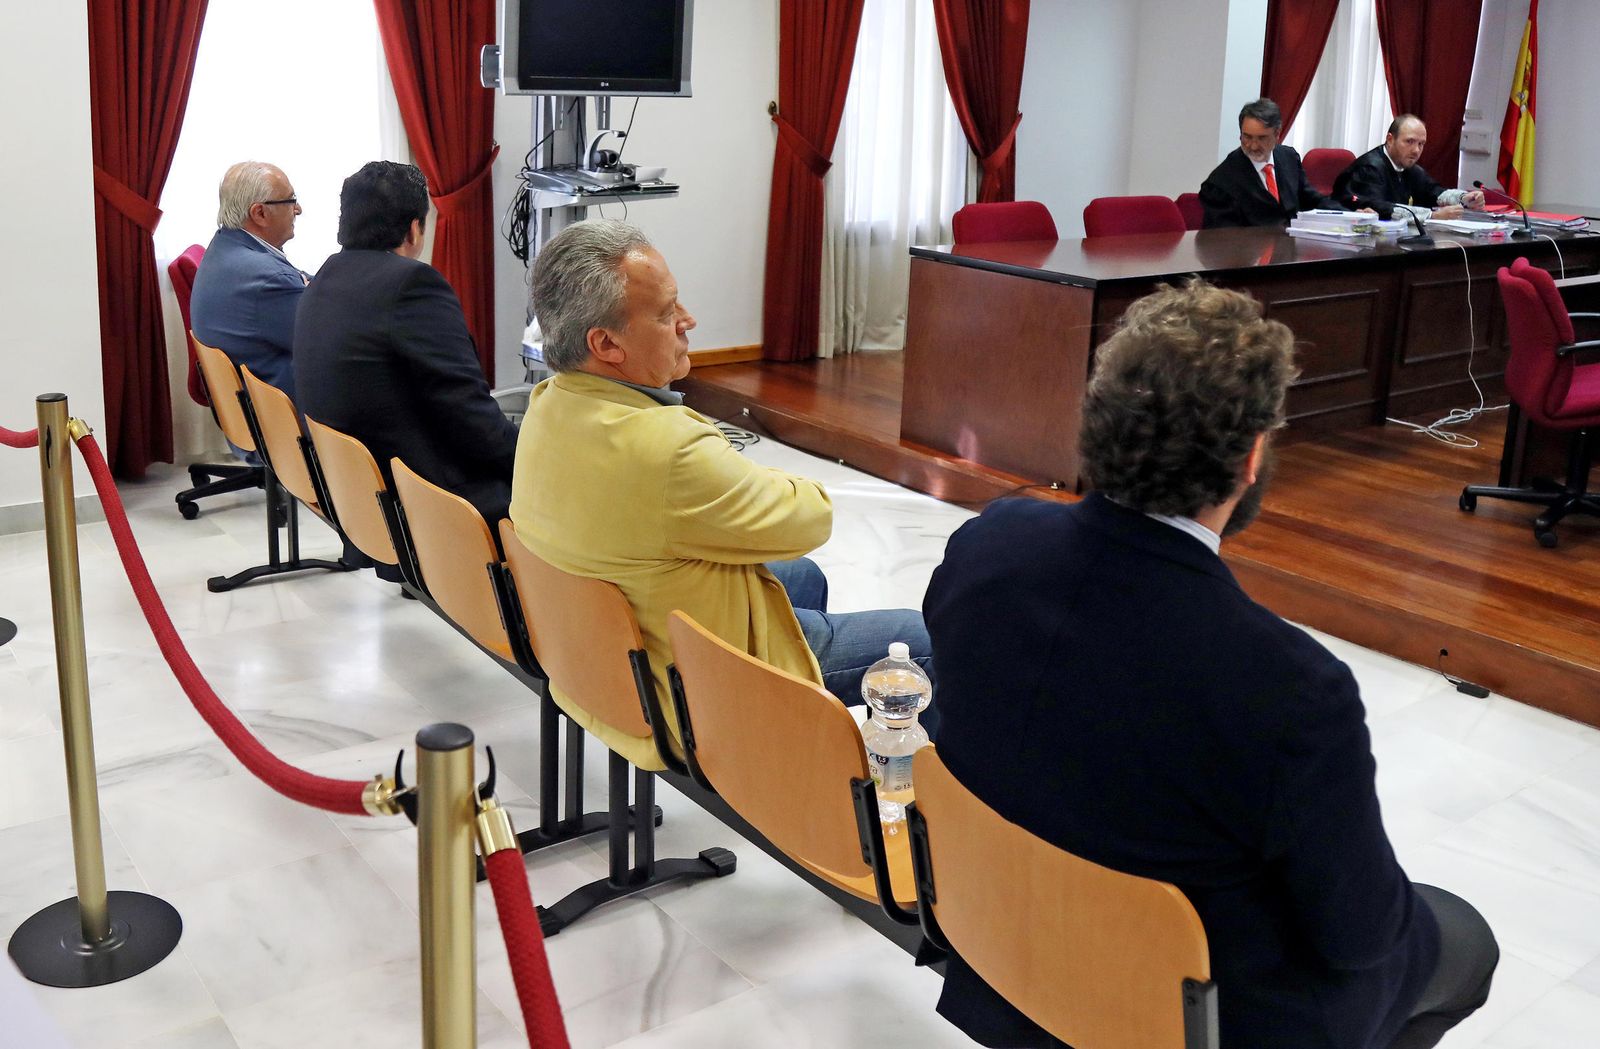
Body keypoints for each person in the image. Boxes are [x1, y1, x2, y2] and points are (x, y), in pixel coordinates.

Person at [922, 280, 1496, 1049]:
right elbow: (1359, 934)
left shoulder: (988, 544)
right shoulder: (1289, 685)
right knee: (1459, 937)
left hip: (999, 949)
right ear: (1252, 455)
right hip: (1190, 1016)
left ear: (1097, 423)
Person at [510, 219, 934, 755]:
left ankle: (796, 755)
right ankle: (913, 819)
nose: (689, 320)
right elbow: (811, 516)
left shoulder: (547, 403)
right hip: (688, 692)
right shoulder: (668, 447)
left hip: (595, 663)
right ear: (606, 343)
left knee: (799, 577)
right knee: (934, 642)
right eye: (666, 314)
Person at [294, 161, 518, 526]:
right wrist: (535, 460)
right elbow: (469, 416)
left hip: (357, 489)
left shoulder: (324, 277)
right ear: (414, 229)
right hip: (427, 497)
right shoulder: (411, 284)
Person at [190, 161, 307, 399]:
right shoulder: (269, 279)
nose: (299, 209)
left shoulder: (224, 246)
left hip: (254, 417)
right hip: (296, 422)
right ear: (260, 213)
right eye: (291, 200)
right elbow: (328, 342)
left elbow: (300, 280)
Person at [1199, 98, 1348, 228]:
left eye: (1261, 138)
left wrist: (1352, 215)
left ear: (1277, 134)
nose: (1253, 146)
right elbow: (1223, 239)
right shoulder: (1220, 183)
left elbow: (1311, 200)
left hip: (1293, 253)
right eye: (1247, 137)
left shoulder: (1288, 158)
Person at [1333, 115, 1489, 222]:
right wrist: (1432, 215)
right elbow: (1381, 208)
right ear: (1390, 139)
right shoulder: (1369, 168)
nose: (1416, 150)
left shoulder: (1409, 168)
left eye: (1421, 144)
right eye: (1409, 141)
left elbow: (1435, 191)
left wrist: (1464, 198)